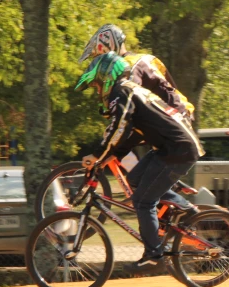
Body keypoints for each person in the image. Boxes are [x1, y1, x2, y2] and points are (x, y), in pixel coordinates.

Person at [76, 52, 205, 272]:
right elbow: (133, 134)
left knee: (143, 202)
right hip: (170, 148)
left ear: (106, 77)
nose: (97, 91)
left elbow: (120, 127)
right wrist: (109, 156)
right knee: (134, 180)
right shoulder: (130, 90)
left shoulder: (122, 91)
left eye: (97, 85)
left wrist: (98, 154)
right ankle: (182, 209)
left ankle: (153, 254)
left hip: (177, 151)